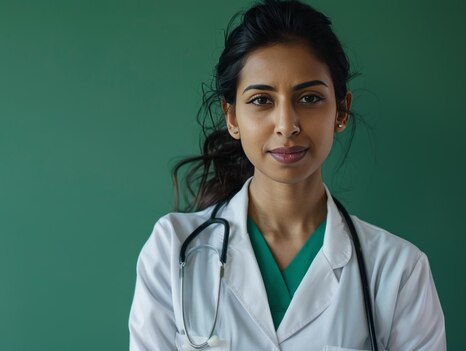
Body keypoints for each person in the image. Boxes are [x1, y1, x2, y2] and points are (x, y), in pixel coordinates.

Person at [128, 0, 446, 350]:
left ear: (341, 111)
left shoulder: (398, 271)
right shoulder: (173, 250)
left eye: (309, 98)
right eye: (262, 100)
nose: (287, 125)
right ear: (232, 117)